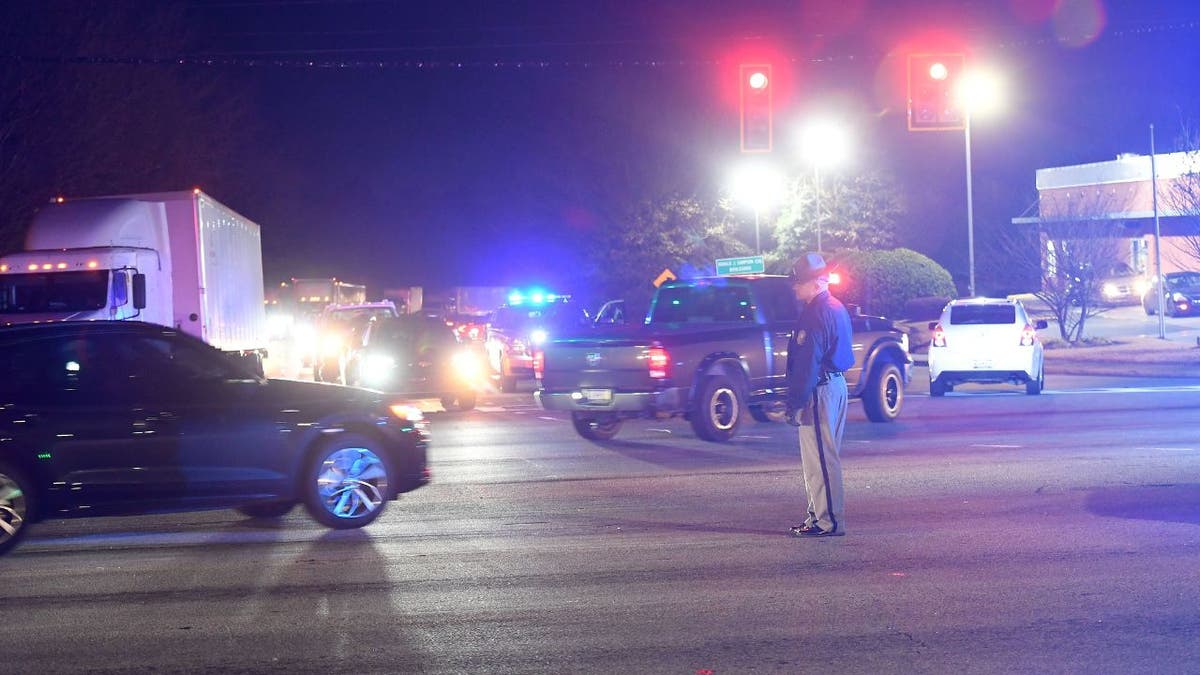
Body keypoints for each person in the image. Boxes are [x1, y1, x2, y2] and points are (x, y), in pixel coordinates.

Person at [785, 252, 854, 538]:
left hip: (819, 389)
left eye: (799, 282)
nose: (794, 286)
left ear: (815, 283)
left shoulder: (815, 314)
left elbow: (807, 363)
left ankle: (828, 521)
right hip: (835, 385)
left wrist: (795, 403)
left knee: (822, 461)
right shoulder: (836, 307)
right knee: (820, 459)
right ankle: (817, 517)